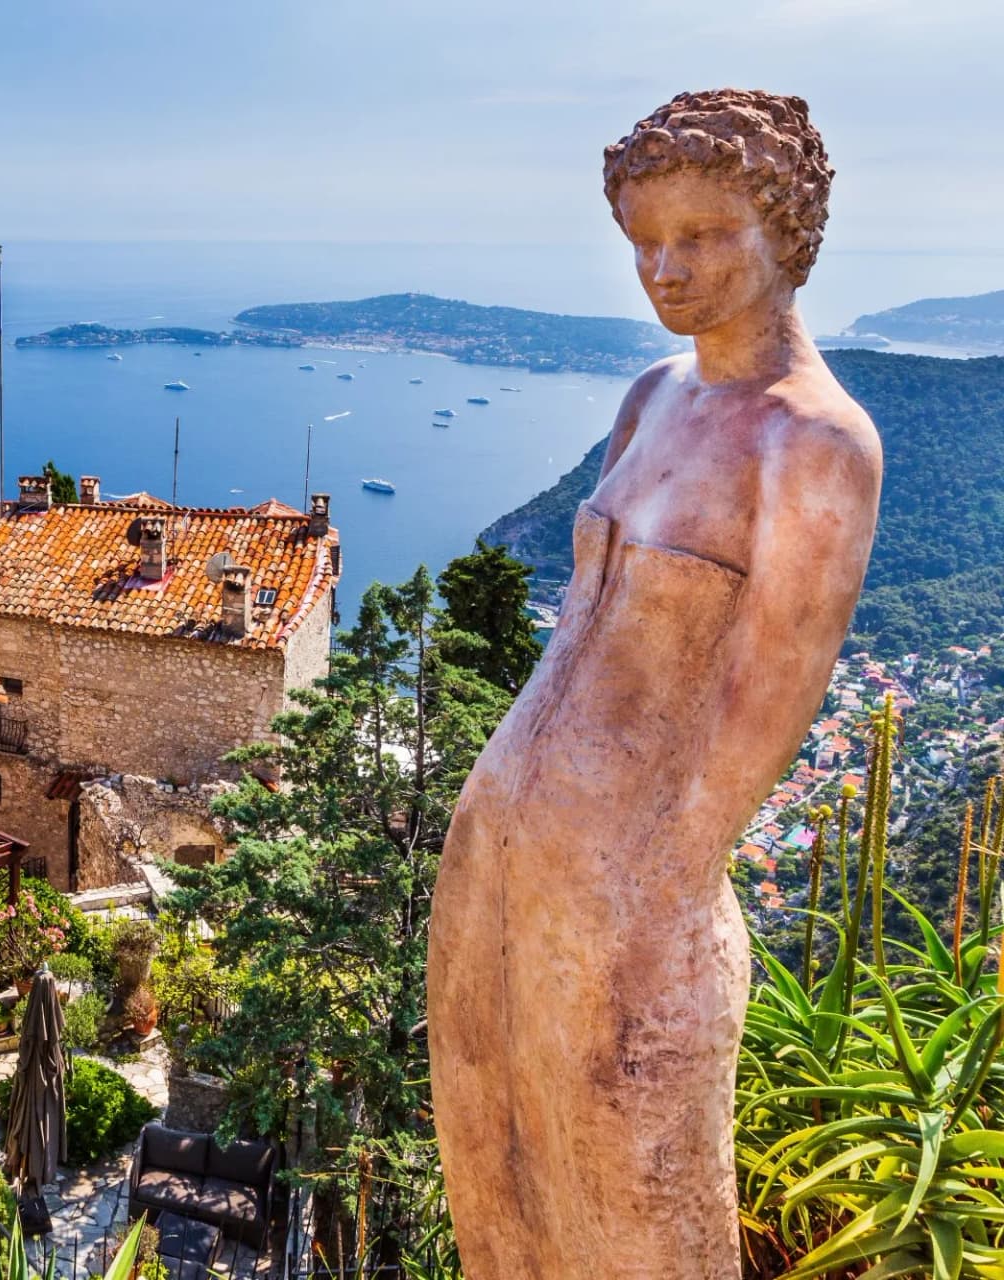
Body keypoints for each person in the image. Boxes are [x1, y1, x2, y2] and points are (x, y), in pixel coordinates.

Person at [428, 89, 882, 1278]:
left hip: (629, 879)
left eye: (703, 236)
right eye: (643, 241)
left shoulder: (815, 442)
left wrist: (662, 881)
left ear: (786, 230)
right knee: (492, 1177)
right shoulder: (651, 396)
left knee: (634, 1207)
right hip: (499, 838)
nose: (665, 270)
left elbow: (769, 702)